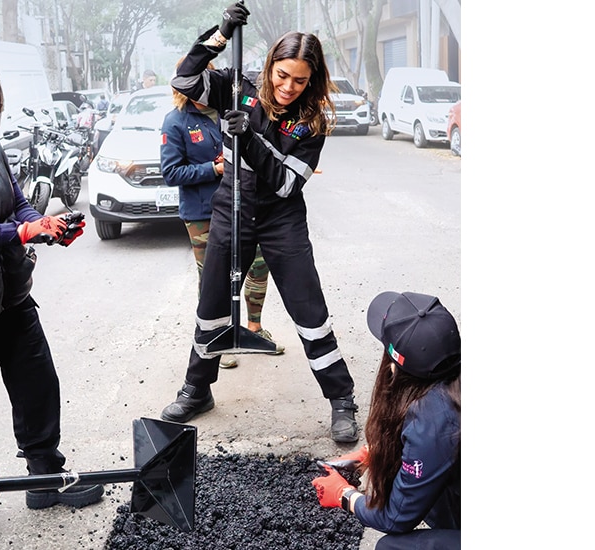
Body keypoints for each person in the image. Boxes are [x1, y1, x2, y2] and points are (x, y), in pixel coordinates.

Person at [159, 2, 360, 443]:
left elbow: (286, 183)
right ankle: (197, 388)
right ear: (269, 66)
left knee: (309, 309)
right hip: (231, 207)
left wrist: (247, 137)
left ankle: (341, 400)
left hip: (280, 217)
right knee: (211, 303)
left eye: (300, 80)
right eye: (281, 75)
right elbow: (184, 79)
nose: (288, 87)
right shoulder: (238, 87)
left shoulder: (313, 122)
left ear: (313, 80)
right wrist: (219, 36)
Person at [0, 53, 101, 547]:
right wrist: (19, 231)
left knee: (39, 385)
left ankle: (45, 477)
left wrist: (45, 225)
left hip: (11, 297)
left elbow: (15, 201)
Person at [310, 291, 461, 550]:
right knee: (434, 493)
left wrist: (344, 496)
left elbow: (396, 518)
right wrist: (374, 452)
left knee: (390, 548)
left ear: (395, 365)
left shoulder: (433, 419)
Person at [159, 59, 285, 369]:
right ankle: (219, 338)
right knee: (214, 279)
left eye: (211, 76)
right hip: (202, 212)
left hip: (241, 205)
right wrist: (213, 168)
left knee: (258, 264)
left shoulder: (228, 112)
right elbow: (171, 172)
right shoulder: (175, 122)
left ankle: (254, 328)